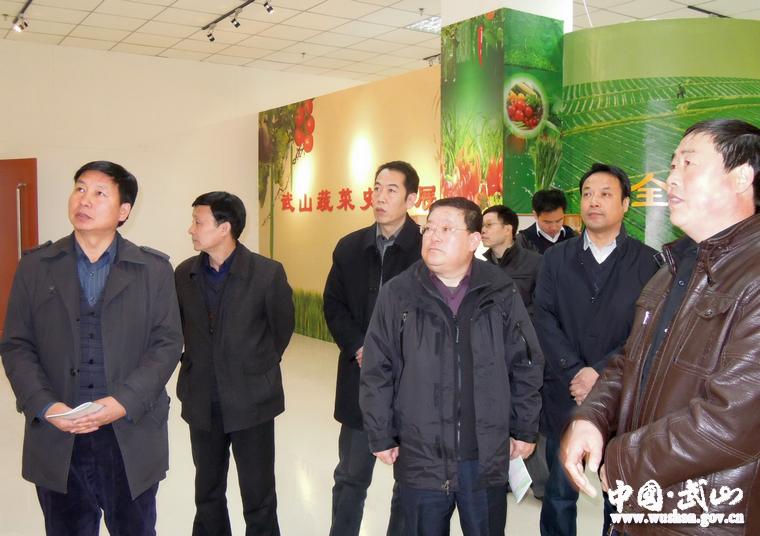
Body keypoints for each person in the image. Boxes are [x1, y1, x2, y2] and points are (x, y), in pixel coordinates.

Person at [563, 119, 760, 535]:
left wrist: (623, 460)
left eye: (689, 163)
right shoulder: (674, 266)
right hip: (643, 507)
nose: (671, 178)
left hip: (705, 516)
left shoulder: (753, 275)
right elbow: (630, 361)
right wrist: (592, 416)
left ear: (742, 177)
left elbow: (732, 421)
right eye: (672, 165)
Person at [0, 161, 183, 535]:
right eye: (80, 188)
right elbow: (16, 344)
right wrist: (45, 406)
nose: (84, 200)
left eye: (100, 193)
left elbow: (166, 344)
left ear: (124, 211)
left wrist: (122, 402)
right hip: (58, 433)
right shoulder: (36, 266)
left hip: (129, 431)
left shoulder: (153, 270)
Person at [360, 197, 544, 536]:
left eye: (446, 229)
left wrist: (524, 427)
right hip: (421, 455)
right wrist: (381, 432)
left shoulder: (500, 290)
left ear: (474, 241)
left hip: (484, 453)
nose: (433, 237)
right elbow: (376, 369)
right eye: (429, 228)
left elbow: (525, 361)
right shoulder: (398, 293)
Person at [533, 163, 659, 536]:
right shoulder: (556, 258)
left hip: (621, 394)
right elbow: (543, 316)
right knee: (558, 492)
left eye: (605, 194)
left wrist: (599, 373)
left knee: (617, 493)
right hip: (564, 390)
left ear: (626, 204)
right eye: (587, 194)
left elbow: (647, 330)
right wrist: (575, 371)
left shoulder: (649, 262)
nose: (593, 201)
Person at [175, 191, 294, 536]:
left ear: (224, 228)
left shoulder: (266, 274)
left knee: (258, 496)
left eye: (198, 222)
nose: (191, 229)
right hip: (202, 401)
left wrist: (254, 367)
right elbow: (180, 327)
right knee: (207, 493)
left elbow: (281, 329)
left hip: (252, 402)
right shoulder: (184, 274)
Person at [323, 160, 421, 536]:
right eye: (377, 188)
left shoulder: (426, 249)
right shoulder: (349, 247)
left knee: (409, 484)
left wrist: (391, 353)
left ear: (411, 198)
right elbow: (334, 304)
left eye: (391, 190)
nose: (380, 197)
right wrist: (359, 345)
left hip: (412, 385)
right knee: (350, 476)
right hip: (360, 380)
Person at [481, 204, 542, 315]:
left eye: (489, 225)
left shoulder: (536, 263)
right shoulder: (481, 269)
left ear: (507, 229)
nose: (483, 230)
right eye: (482, 225)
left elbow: (543, 305)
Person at [517, 189, 576, 254]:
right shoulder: (522, 242)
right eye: (547, 222)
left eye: (558, 221)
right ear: (535, 215)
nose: (554, 228)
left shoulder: (574, 237)